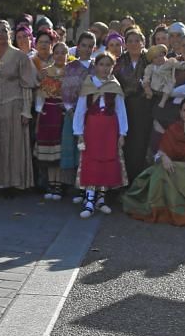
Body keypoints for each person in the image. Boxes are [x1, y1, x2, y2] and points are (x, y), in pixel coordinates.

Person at [123, 97, 185, 226]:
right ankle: (157, 208)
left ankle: (182, 211)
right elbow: (162, 152)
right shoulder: (173, 130)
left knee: (175, 171)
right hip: (169, 171)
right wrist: (164, 157)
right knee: (161, 170)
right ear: (180, 113)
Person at [0, 20, 38, 193]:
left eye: (5, 30)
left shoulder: (20, 57)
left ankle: (12, 184)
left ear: (10, 33)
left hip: (14, 104)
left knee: (12, 145)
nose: (1, 34)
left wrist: (26, 111)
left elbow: (27, 85)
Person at [74, 52, 127, 218]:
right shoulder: (88, 84)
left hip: (110, 128)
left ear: (112, 67)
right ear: (95, 66)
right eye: (101, 64)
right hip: (92, 127)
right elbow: (81, 110)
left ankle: (101, 198)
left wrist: (122, 132)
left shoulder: (114, 86)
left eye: (108, 65)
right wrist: (79, 131)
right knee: (92, 159)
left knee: (107, 159)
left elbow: (121, 110)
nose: (104, 68)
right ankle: (89, 198)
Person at [59, 32, 95, 203]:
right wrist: (72, 111)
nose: (87, 49)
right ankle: (75, 186)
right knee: (74, 148)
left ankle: (87, 187)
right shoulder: (70, 67)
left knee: (89, 151)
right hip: (72, 114)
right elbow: (65, 90)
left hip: (93, 116)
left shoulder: (97, 66)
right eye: (84, 45)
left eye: (90, 46)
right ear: (78, 46)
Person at [34, 40, 69, 200]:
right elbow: (40, 95)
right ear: (53, 54)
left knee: (60, 147)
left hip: (63, 112)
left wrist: (67, 106)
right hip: (48, 112)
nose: (60, 55)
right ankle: (50, 183)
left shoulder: (70, 72)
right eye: (57, 52)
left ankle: (59, 184)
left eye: (63, 52)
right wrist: (40, 112)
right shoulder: (45, 72)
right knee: (48, 148)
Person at [114, 29, 151, 176]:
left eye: (137, 41)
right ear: (125, 44)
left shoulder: (150, 59)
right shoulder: (119, 62)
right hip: (124, 106)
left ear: (143, 42)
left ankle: (140, 181)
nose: (134, 44)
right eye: (130, 41)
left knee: (141, 144)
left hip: (145, 107)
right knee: (126, 144)